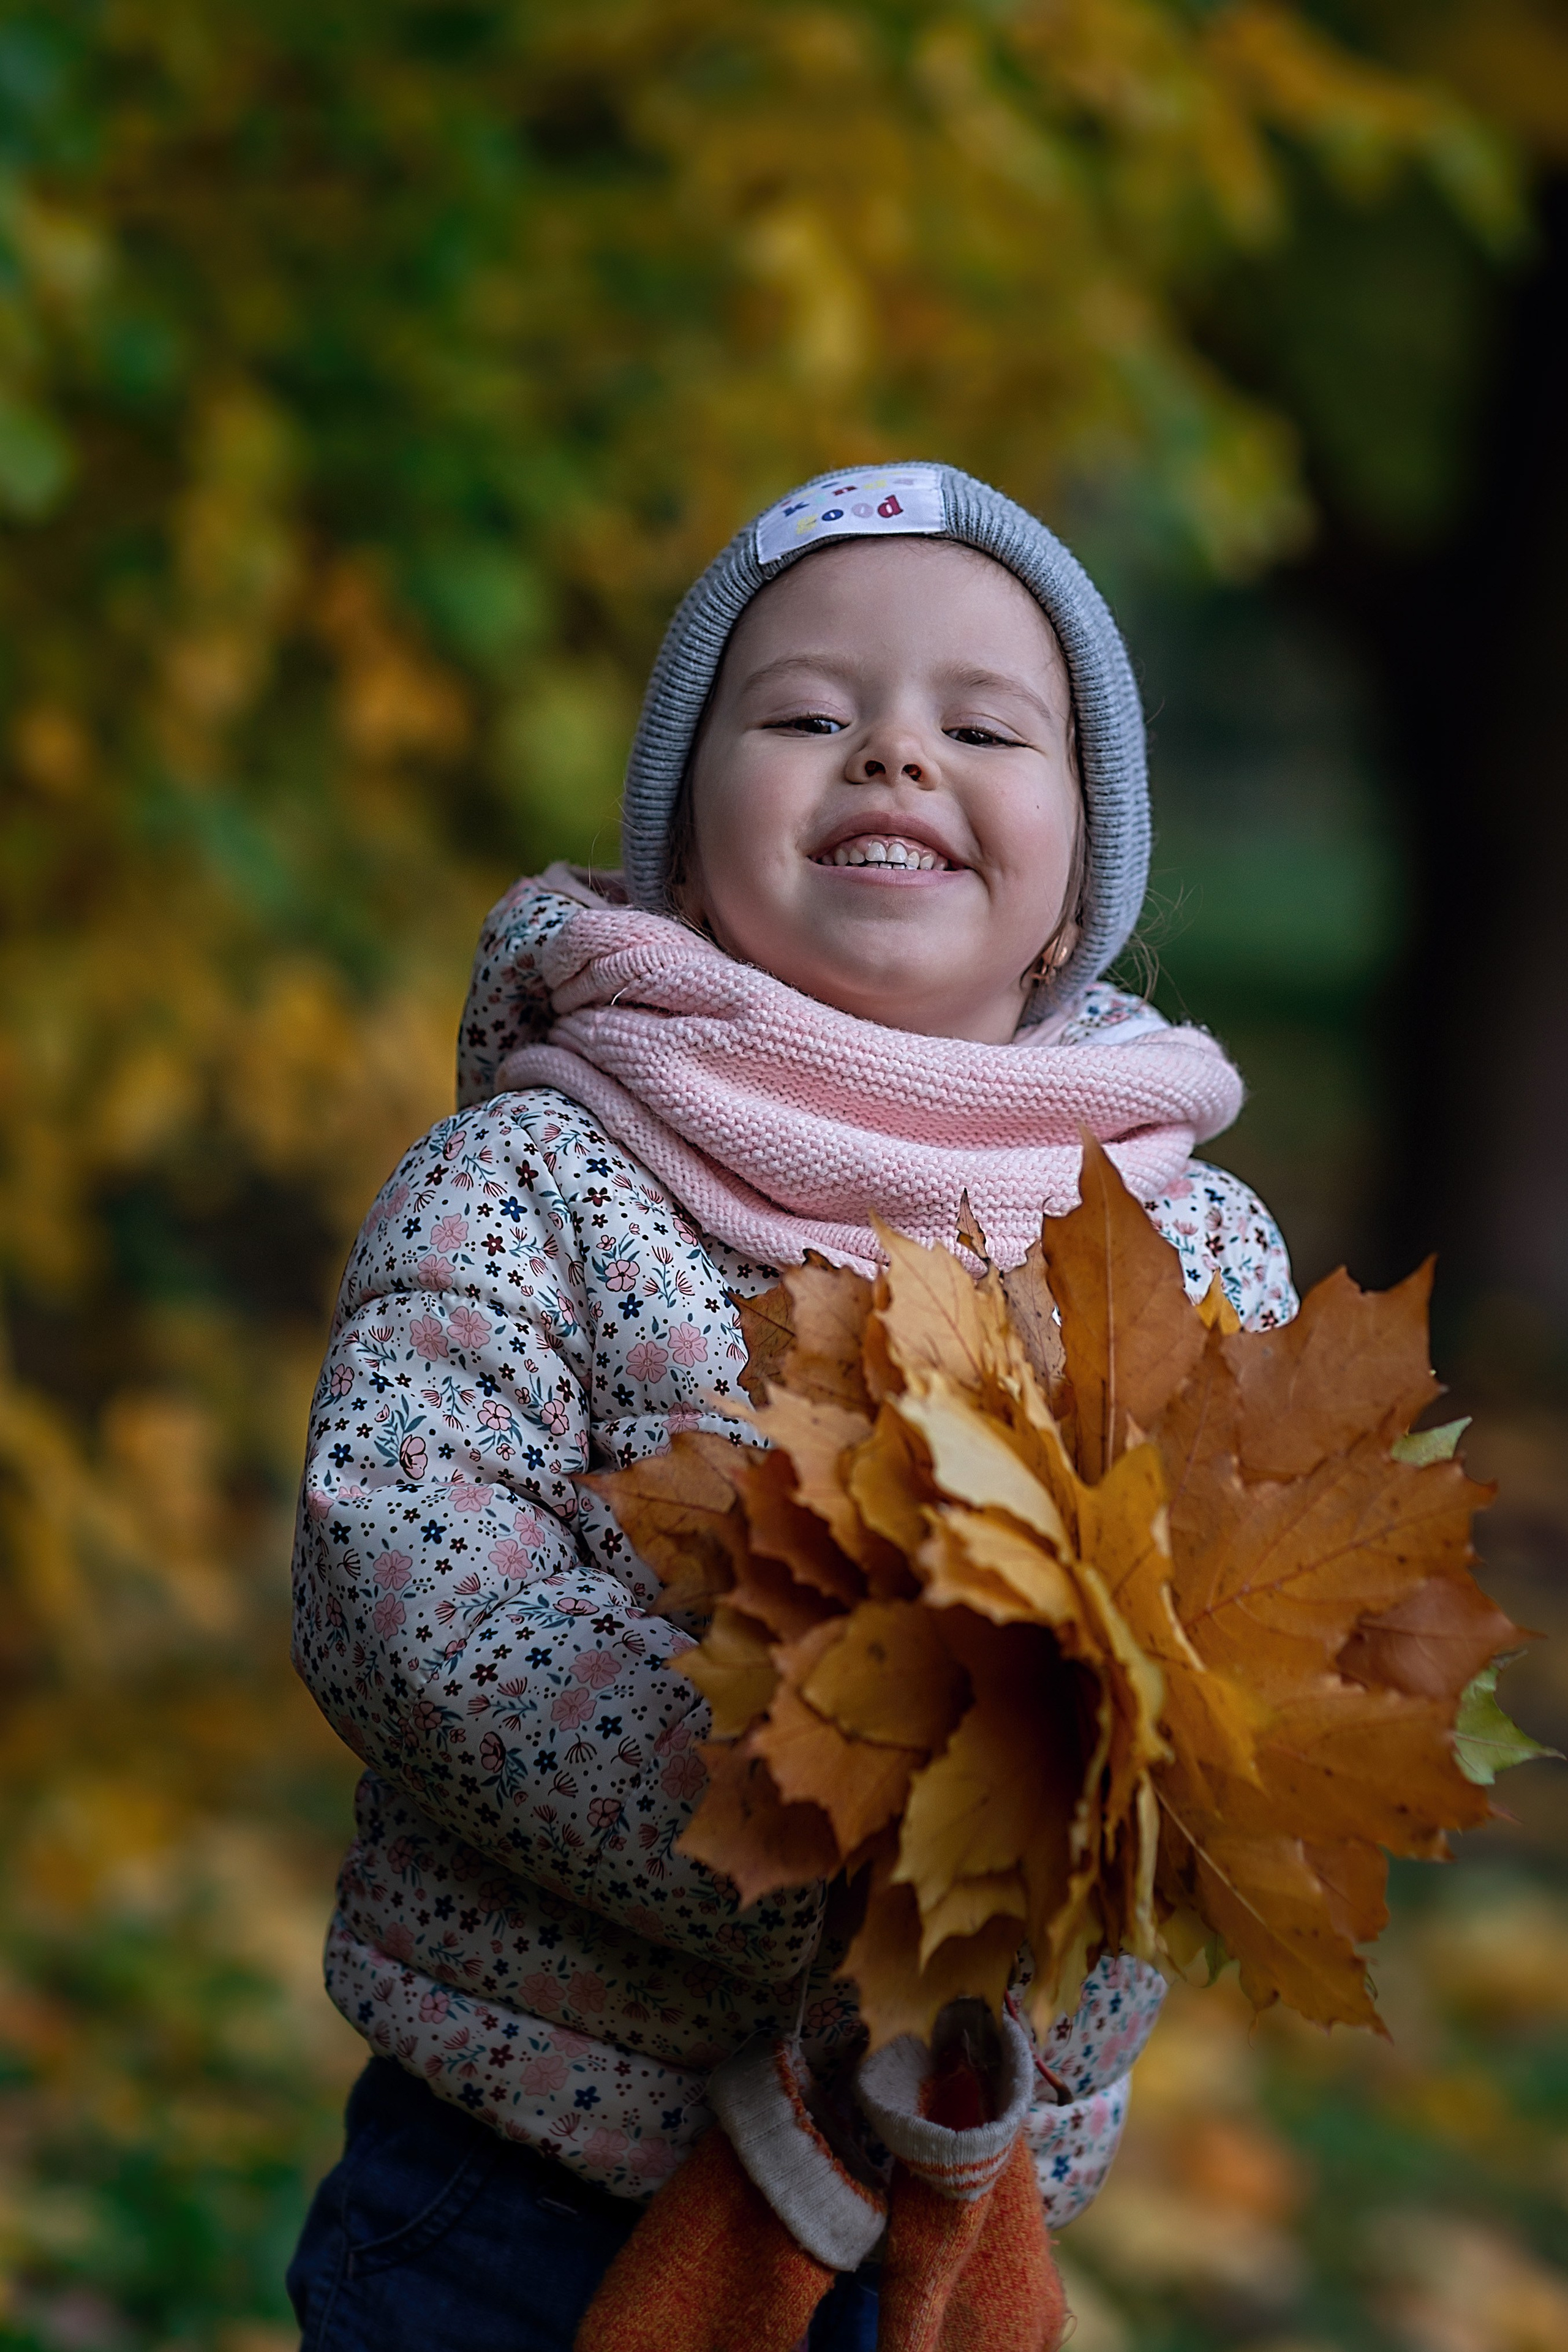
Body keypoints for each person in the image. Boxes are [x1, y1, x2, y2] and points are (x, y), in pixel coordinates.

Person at [285, 464, 1297, 2352]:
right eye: (812, 715)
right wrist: (793, 1816)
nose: (895, 759)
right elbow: (406, 1576)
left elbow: (1258, 1642)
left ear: (1081, 877)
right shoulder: (542, 1177)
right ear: (684, 839)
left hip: (936, 2201)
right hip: (528, 2185)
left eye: (981, 727)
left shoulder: (1183, 1243)